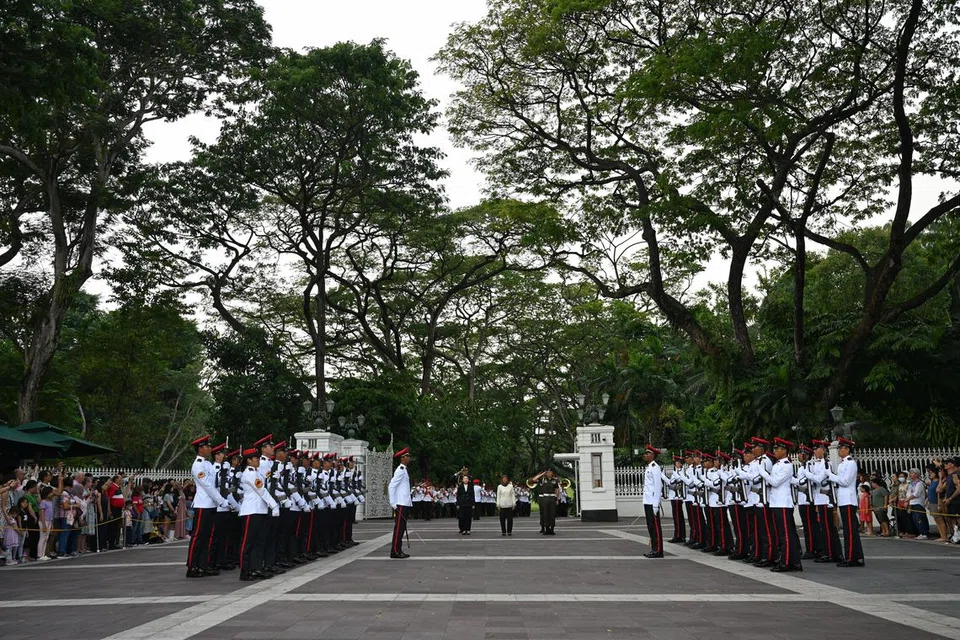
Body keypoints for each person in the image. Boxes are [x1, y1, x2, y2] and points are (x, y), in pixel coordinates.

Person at [187, 435, 231, 578]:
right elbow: (207, 486)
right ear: (200, 449)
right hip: (203, 504)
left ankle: (203, 565)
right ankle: (192, 566)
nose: (210, 449)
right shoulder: (198, 465)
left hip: (211, 504)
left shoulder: (207, 464)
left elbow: (215, 484)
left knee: (207, 537)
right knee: (198, 537)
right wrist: (221, 500)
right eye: (207, 446)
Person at [758, 438, 802, 572]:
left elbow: (775, 482)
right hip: (776, 502)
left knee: (785, 535)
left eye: (777, 449)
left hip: (783, 503)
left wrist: (763, 473)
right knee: (781, 534)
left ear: (784, 451)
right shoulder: (777, 464)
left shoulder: (786, 465)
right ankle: (792, 561)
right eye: (775, 449)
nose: (775, 451)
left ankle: (786, 562)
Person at [238, 447, 279, 581]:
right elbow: (261, 490)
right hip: (251, 511)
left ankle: (255, 568)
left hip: (259, 510)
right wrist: (273, 504)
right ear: (249, 460)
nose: (258, 460)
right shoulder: (249, 473)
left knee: (258, 542)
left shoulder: (256, 472)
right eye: (255, 458)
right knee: (248, 543)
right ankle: (245, 570)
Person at [827, 437, 865, 567]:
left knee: (850, 530)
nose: (839, 450)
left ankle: (852, 558)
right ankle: (853, 556)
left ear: (847, 449)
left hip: (848, 500)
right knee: (848, 530)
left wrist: (831, 475)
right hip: (843, 500)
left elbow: (845, 481)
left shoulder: (850, 463)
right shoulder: (842, 464)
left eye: (841, 448)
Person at [388, 448, 413, 558]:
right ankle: (394, 551)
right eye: (407, 456)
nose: (409, 458)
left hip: (404, 503)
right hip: (400, 503)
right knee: (398, 528)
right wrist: (393, 502)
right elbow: (391, 486)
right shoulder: (400, 470)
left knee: (401, 528)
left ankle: (398, 549)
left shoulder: (404, 470)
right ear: (402, 458)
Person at [642, 445, 664, 558]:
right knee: (650, 526)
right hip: (647, 501)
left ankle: (658, 550)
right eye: (645, 453)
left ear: (653, 455)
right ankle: (654, 548)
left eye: (647, 453)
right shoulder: (649, 467)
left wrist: (656, 503)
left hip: (652, 502)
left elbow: (658, 486)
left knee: (655, 527)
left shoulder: (655, 468)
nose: (645, 455)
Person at [528, 469, 559, 535]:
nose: (549, 473)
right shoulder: (543, 480)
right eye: (548, 472)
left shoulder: (555, 480)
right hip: (545, 497)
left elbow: (556, 489)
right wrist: (542, 474)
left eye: (550, 472)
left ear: (552, 473)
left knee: (552, 514)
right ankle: (546, 528)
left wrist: (557, 498)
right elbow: (534, 479)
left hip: (552, 497)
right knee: (545, 513)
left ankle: (552, 529)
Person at [906, 468, 929, 540]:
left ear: (916, 474)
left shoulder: (919, 483)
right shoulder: (911, 484)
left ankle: (924, 533)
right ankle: (920, 532)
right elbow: (908, 493)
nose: (910, 474)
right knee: (915, 519)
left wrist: (908, 499)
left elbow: (916, 493)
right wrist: (908, 500)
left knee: (919, 518)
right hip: (912, 503)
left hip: (918, 503)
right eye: (910, 473)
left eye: (912, 473)